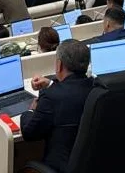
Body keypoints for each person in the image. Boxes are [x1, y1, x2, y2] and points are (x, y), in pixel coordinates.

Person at [22, 40, 95, 172]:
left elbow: (29, 133)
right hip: (90, 164)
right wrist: (51, 83)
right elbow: (73, 89)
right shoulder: (96, 88)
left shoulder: (51, 97)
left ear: (59, 64)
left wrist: (30, 111)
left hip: (60, 167)